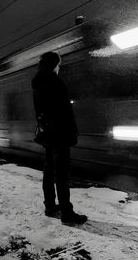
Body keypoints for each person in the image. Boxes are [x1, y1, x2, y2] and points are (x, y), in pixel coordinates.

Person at [32, 51, 87, 225]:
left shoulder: (38, 82)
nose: (59, 68)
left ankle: (49, 206)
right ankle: (67, 213)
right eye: (58, 64)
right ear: (53, 65)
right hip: (60, 134)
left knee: (49, 172)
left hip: (47, 134)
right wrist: (72, 132)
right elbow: (64, 112)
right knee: (61, 174)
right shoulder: (54, 82)